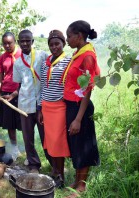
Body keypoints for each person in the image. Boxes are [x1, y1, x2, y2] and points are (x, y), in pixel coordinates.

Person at [64, 20, 100, 195]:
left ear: (79, 36)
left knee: (83, 146)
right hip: (72, 105)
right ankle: (77, 180)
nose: (67, 39)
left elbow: (87, 90)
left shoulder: (87, 57)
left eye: (69, 36)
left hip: (81, 108)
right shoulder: (79, 52)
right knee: (76, 145)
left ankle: (82, 187)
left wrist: (78, 119)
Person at [13, 29, 51, 173]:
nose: (25, 43)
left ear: (32, 41)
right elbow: (19, 83)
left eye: (27, 40)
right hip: (25, 104)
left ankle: (54, 163)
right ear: (18, 43)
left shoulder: (42, 56)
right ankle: (34, 164)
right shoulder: (17, 63)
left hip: (43, 103)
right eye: (22, 41)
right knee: (28, 137)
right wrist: (13, 95)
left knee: (46, 136)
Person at [38, 30, 71, 188]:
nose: (54, 47)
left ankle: (61, 176)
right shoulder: (47, 61)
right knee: (50, 142)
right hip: (46, 106)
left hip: (59, 107)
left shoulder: (68, 61)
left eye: (57, 44)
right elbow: (43, 85)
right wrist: (40, 109)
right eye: (51, 44)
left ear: (63, 44)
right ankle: (55, 170)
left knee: (58, 143)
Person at [0, 32, 22, 160]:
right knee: (10, 124)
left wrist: (16, 93)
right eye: (5, 43)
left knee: (24, 123)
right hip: (6, 94)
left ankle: (29, 151)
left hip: (21, 93)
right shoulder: (1, 58)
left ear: (15, 42)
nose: (7, 45)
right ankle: (15, 148)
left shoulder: (22, 55)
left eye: (10, 43)